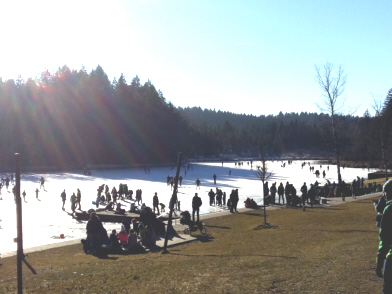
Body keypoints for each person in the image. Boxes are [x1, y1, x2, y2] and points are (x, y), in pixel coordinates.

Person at [376, 180, 392, 293]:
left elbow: (385, 238)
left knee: (387, 288)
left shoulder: (389, 209)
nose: (383, 194)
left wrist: (380, 260)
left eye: (384, 192)